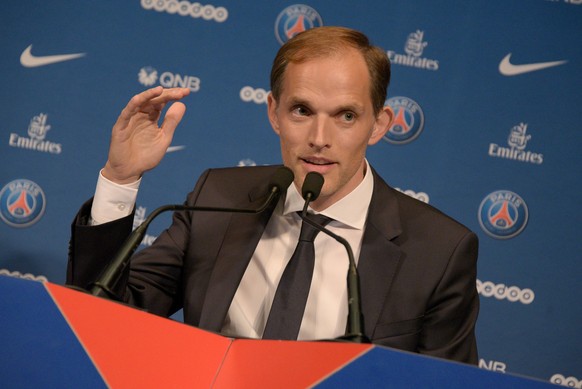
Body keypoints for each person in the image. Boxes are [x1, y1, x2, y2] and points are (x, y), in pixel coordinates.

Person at [67, 26, 479, 364]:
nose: (320, 139)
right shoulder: (221, 198)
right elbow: (104, 314)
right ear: (273, 113)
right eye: (302, 110)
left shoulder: (438, 252)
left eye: (346, 116)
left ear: (379, 124)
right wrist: (120, 179)